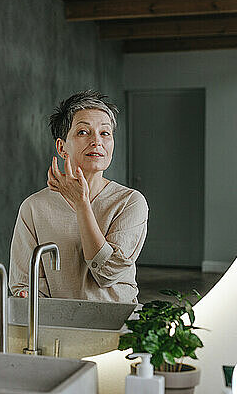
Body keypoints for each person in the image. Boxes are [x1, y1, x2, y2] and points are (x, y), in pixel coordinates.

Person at [8, 90, 148, 304]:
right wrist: (28, 295)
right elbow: (24, 283)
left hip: (117, 324)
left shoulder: (129, 202)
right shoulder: (34, 207)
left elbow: (107, 273)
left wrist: (81, 204)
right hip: (60, 324)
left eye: (105, 133)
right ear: (61, 147)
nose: (96, 142)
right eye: (83, 132)